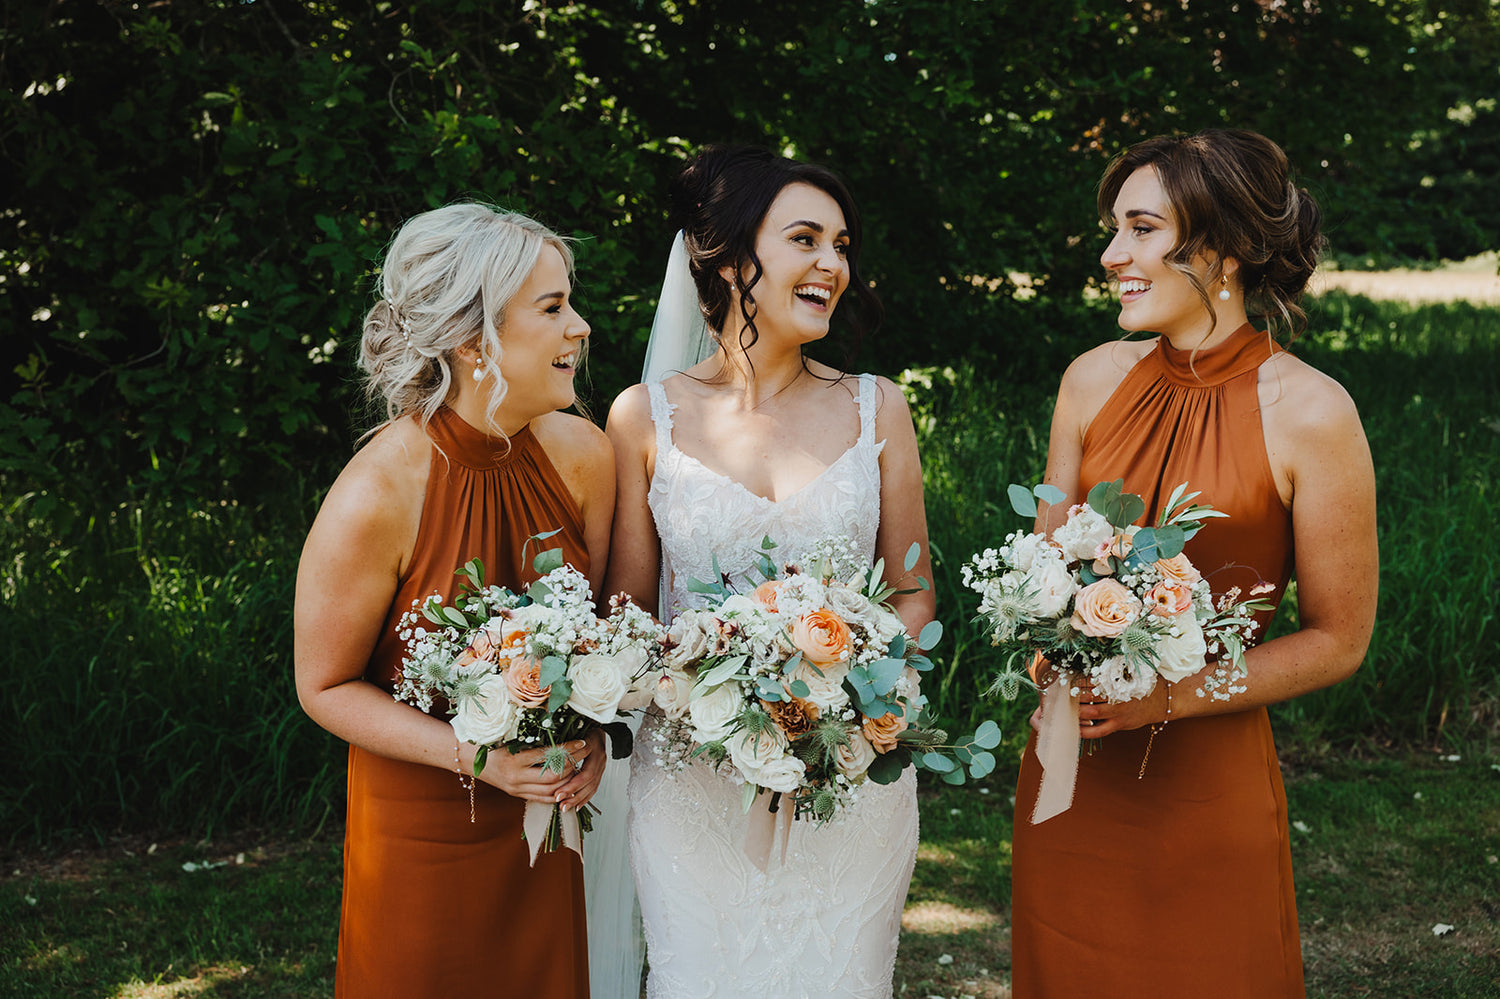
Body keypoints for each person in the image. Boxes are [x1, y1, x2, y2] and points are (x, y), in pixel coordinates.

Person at [1009, 129, 1379, 997]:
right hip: (1071, 767)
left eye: (1141, 228)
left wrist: (1164, 696)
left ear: (1227, 248)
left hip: (1204, 786)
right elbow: (1043, 567)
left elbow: (1339, 638)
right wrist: (1040, 632)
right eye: (1115, 228)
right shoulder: (1091, 380)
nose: (1111, 254)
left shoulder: (1314, 414)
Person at [602, 145, 936, 998]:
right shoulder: (645, 417)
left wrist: (840, 682)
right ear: (730, 255)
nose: (835, 263)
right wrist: (720, 677)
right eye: (807, 239)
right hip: (691, 778)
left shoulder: (878, 407)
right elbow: (628, 615)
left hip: (847, 773)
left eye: (844, 244)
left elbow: (912, 591)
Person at [294, 203, 613, 998]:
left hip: (542, 832)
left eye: (570, 300)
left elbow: (606, 638)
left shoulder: (586, 456)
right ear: (475, 341)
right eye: (551, 308)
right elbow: (323, 685)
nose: (579, 326)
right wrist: (477, 758)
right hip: (422, 836)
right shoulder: (377, 493)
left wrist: (597, 736)